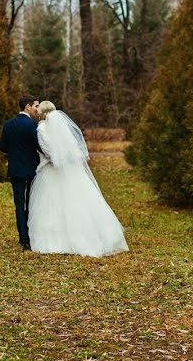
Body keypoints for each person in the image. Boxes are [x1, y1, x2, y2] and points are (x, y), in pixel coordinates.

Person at [27, 101, 129, 257]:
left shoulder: (41, 129)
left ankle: (57, 240)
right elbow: (71, 149)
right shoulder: (63, 128)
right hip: (70, 170)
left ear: (41, 113)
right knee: (78, 202)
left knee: (52, 205)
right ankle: (93, 236)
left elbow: (50, 153)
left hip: (51, 171)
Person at [0, 95, 41, 250]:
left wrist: (15, 151)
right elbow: (39, 145)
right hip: (32, 169)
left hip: (15, 169)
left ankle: (23, 239)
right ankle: (31, 236)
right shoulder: (32, 125)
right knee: (30, 204)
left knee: (18, 205)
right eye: (35, 106)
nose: (37, 109)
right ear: (27, 107)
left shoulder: (8, 124)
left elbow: (2, 146)